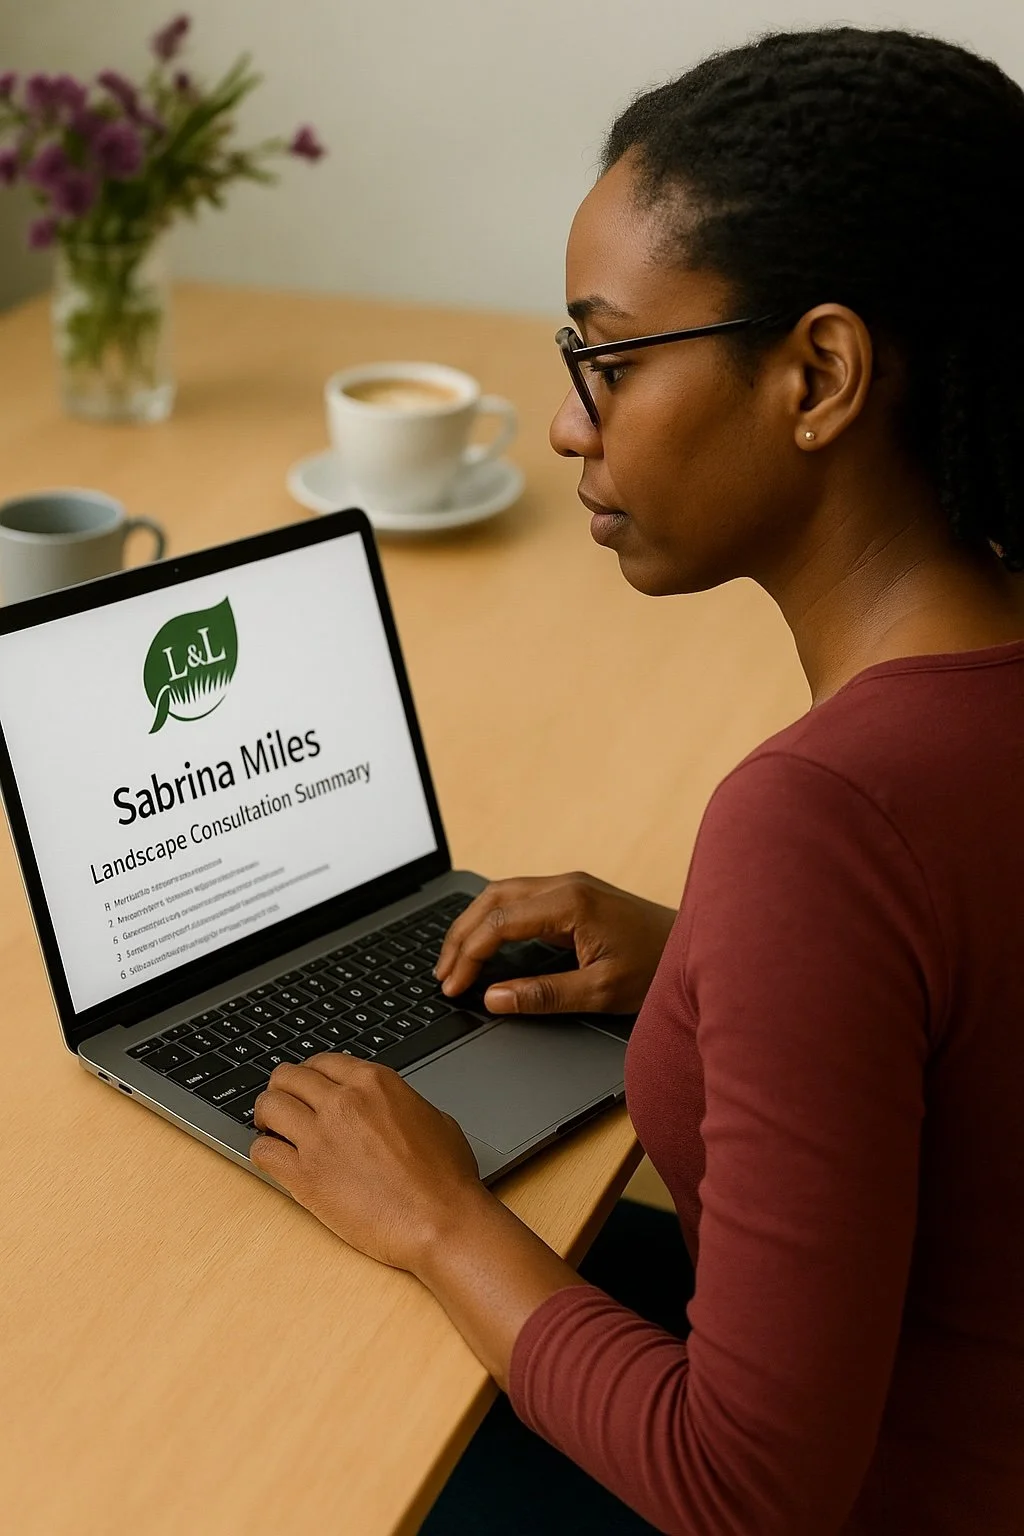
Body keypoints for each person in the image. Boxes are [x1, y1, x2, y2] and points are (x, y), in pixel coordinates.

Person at [248, 26, 1024, 1535]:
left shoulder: (825, 819)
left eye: (604, 359)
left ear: (820, 374)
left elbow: (746, 1492)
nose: (563, 424)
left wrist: (436, 1217)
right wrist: (716, 967)